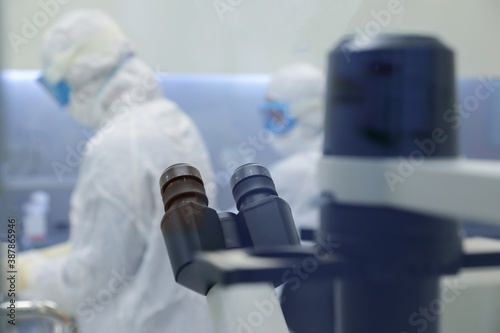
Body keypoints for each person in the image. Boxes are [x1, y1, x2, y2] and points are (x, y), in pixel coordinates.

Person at [17, 10, 215, 333]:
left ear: (82, 76)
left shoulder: (116, 147)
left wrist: (22, 274)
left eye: (60, 90)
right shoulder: (174, 123)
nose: (64, 105)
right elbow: (145, 236)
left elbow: (90, 277)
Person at [260, 63, 325, 238]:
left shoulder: (296, 170)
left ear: (309, 114)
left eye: (277, 115)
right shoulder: (331, 159)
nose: (273, 124)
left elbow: (239, 226)